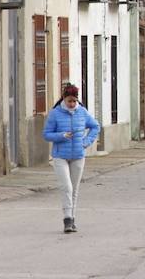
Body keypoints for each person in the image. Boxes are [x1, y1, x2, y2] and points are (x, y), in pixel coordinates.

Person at [43, 84, 100, 233]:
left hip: (78, 155)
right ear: (64, 99)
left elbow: (95, 126)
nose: (72, 104)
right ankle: (67, 218)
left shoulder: (82, 112)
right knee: (66, 187)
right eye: (69, 101)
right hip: (60, 156)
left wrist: (86, 142)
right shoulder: (55, 113)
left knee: (74, 189)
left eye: (74, 101)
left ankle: (72, 218)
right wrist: (61, 136)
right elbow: (46, 134)